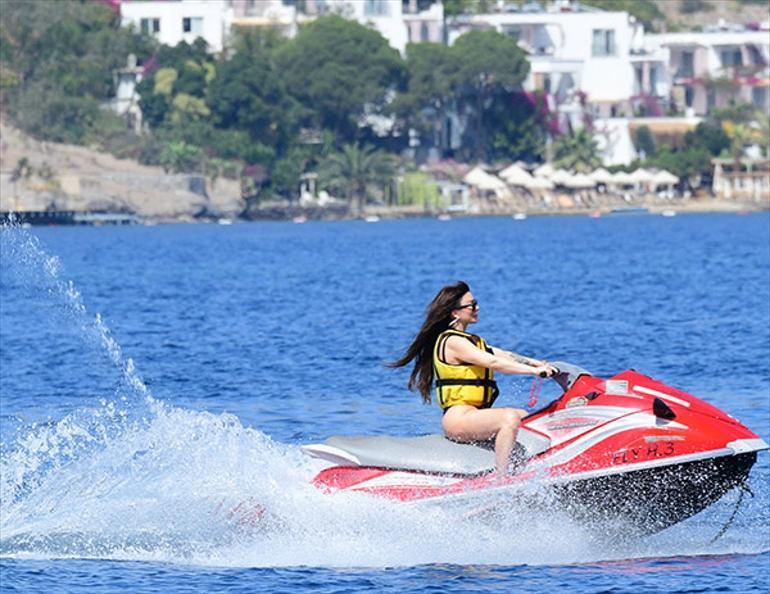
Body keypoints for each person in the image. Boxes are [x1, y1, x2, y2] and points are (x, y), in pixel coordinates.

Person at [389, 281, 556, 476]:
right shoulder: (452, 342)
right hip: (458, 418)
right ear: (455, 312)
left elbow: (504, 355)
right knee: (509, 418)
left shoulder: (472, 342)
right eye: (472, 305)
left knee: (528, 417)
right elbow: (493, 362)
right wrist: (534, 372)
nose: (477, 308)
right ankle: (503, 480)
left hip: (474, 414)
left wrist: (537, 364)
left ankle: (534, 468)